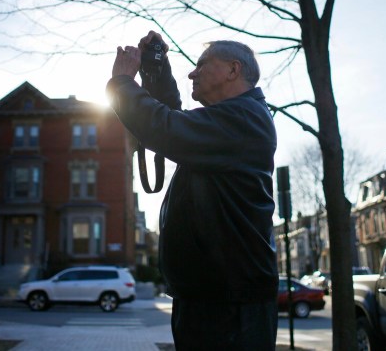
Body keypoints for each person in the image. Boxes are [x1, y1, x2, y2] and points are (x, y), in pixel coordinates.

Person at [107, 31, 279, 350]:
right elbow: (172, 120)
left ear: (233, 69)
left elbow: (168, 129)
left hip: (229, 304)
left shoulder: (244, 120)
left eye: (201, 65)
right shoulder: (228, 121)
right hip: (212, 296)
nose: (192, 73)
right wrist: (155, 70)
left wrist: (121, 82)